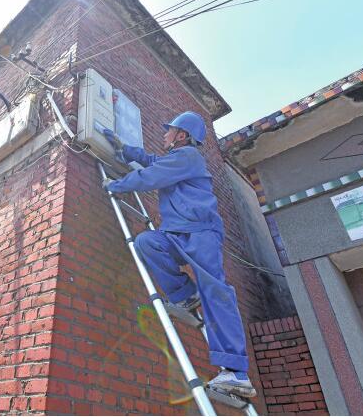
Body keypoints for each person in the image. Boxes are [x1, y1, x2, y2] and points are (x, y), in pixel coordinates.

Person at [101, 111, 256, 398]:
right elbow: (151, 161)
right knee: (147, 242)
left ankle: (235, 373)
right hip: (175, 235)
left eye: (168, 130)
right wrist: (124, 150)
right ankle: (185, 294)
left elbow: (151, 175)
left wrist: (117, 185)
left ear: (182, 135)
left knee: (216, 292)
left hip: (200, 235)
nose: (164, 134)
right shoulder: (177, 160)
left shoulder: (189, 157)